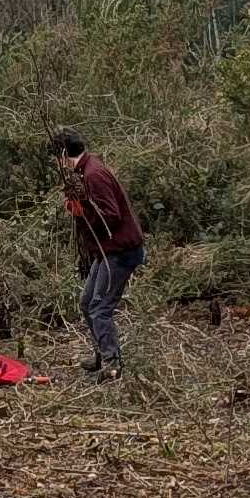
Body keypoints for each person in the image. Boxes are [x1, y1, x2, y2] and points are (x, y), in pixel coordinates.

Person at [50, 128, 149, 380]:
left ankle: (111, 365)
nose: (55, 163)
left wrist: (81, 211)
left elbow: (111, 216)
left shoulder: (93, 175)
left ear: (62, 155)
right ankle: (101, 354)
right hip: (108, 251)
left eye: (55, 157)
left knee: (99, 308)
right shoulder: (84, 171)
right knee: (86, 304)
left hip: (120, 251)